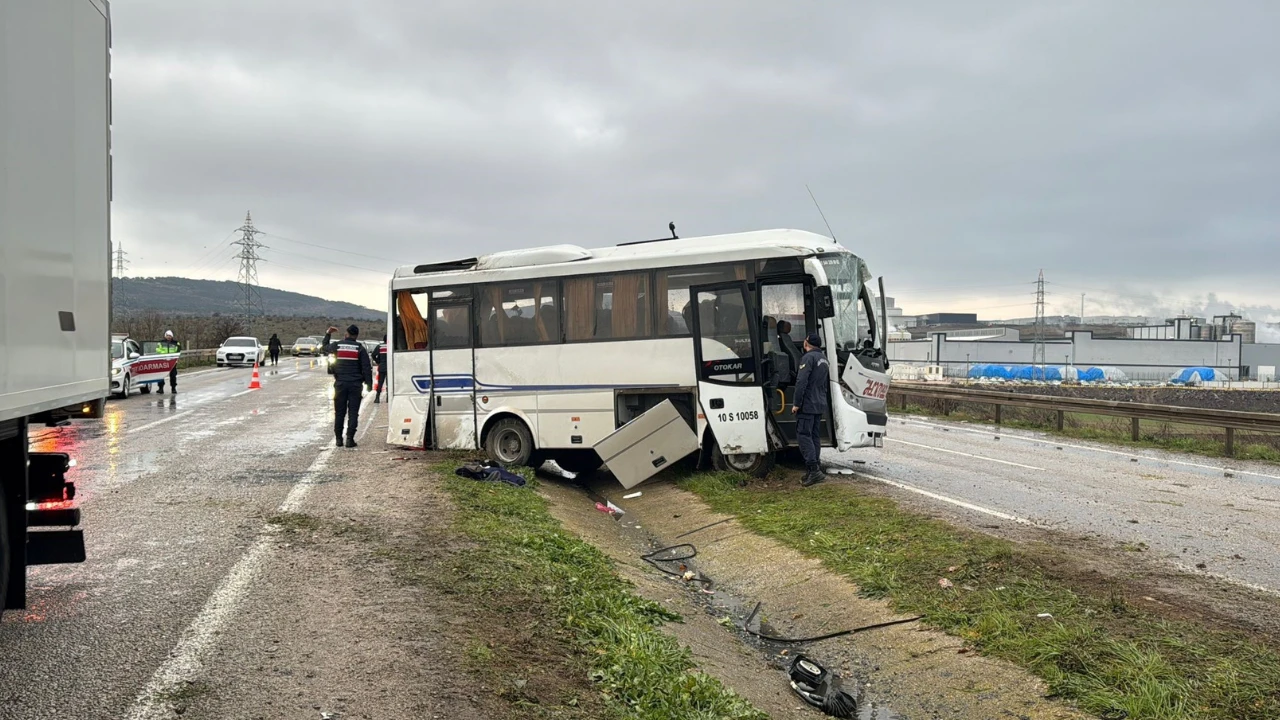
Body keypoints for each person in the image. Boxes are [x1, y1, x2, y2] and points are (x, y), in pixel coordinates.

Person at [321, 324, 373, 448]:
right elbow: (366, 367)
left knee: (339, 412)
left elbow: (324, 348)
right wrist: (369, 384)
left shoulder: (338, 345)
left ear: (347, 334)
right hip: (355, 385)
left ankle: (339, 439)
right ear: (356, 335)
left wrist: (328, 333)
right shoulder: (360, 348)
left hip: (340, 384)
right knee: (353, 413)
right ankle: (350, 439)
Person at [791, 332, 830, 487]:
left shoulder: (808, 358)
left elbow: (801, 382)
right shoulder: (824, 359)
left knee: (803, 435)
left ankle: (814, 471)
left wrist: (796, 403)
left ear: (807, 343)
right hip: (819, 403)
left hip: (807, 404)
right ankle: (815, 468)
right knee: (814, 436)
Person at [373, 334, 389, 404]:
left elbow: (373, 354)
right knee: (389, 383)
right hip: (390, 368)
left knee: (380, 383)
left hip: (382, 367)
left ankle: (377, 397)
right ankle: (388, 398)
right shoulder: (391, 346)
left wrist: (378, 361)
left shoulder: (379, 346)